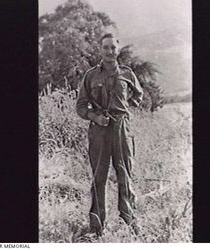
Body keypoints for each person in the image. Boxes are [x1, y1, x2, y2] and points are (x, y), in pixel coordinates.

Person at [76, 33, 143, 236]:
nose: (109, 51)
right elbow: (80, 106)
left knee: (125, 176)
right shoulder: (90, 76)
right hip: (99, 132)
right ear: (101, 50)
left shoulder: (128, 73)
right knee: (99, 179)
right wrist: (96, 118)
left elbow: (138, 96)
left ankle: (129, 223)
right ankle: (96, 228)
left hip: (122, 130)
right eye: (105, 47)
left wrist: (123, 110)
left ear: (118, 49)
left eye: (113, 47)